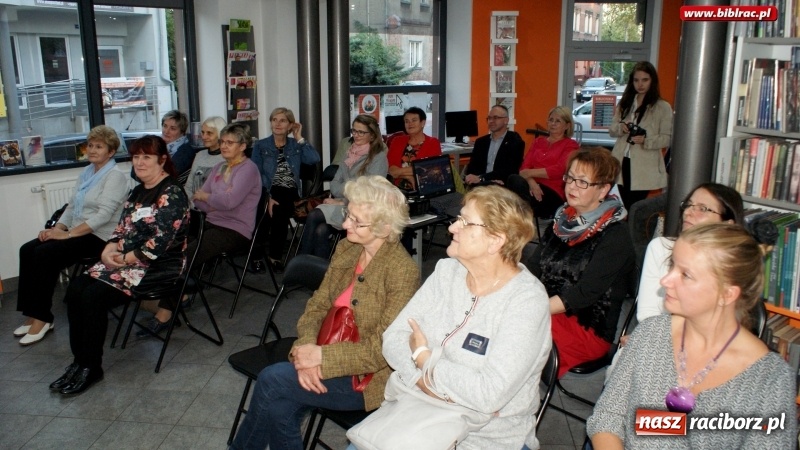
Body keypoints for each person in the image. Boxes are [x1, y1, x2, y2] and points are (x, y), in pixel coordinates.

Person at [230, 176, 420, 450]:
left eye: (357, 221)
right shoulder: (348, 248)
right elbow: (317, 306)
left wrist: (320, 358)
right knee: (278, 409)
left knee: (271, 380)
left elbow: (381, 351)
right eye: (348, 215)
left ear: (384, 227)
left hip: (365, 379)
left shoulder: (402, 272)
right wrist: (305, 350)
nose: (345, 225)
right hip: (322, 352)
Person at [588, 224, 797, 449]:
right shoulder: (651, 333)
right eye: (672, 265)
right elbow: (607, 416)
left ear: (727, 294)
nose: (665, 280)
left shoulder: (769, 379)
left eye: (685, 275)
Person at [382, 185, 550, 450]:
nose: (452, 228)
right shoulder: (446, 271)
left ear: (496, 240)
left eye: (465, 222)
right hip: (415, 413)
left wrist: (423, 358)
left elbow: (487, 394)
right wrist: (433, 387)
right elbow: (392, 339)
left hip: (484, 438)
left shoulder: (526, 301)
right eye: (457, 219)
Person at [51, 136, 189, 395]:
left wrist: (122, 259)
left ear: (162, 160)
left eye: (147, 157)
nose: (140, 162)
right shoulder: (137, 190)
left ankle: (91, 367)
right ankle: (79, 361)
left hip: (158, 266)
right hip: (127, 261)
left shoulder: (171, 193)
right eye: (136, 157)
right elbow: (122, 227)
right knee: (76, 289)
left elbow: (158, 245)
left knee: (93, 296)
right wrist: (109, 248)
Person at [137, 123, 262, 337]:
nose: (224, 146)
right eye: (222, 142)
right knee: (171, 248)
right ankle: (180, 294)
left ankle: (165, 314)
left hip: (235, 230)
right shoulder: (219, 167)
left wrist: (210, 199)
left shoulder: (248, 169)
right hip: (211, 222)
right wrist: (213, 201)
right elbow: (198, 199)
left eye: (230, 142)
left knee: (184, 257)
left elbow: (229, 201)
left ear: (243, 146)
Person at [525, 147, 636, 378]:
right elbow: (533, 268)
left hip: (587, 329)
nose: (572, 186)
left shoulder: (616, 234)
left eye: (583, 182)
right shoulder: (563, 220)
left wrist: (530, 308)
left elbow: (584, 294)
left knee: (512, 333)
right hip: (548, 312)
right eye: (570, 178)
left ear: (603, 189)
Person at [13, 125, 128, 346]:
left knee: (44, 254)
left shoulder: (115, 177)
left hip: (100, 237)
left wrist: (67, 235)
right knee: (27, 250)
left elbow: (103, 216)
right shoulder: (87, 173)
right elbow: (72, 206)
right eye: (90, 145)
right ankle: (33, 314)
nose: (92, 150)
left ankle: (43, 319)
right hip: (77, 232)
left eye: (99, 146)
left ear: (111, 151)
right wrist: (58, 228)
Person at [637, 183, 744, 322]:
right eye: (688, 205)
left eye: (702, 208)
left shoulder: (735, 265)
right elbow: (646, 314)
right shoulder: (661, 247)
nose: (688, 212)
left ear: (727, 224)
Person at [297, 115, 388, 259]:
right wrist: (348, 191)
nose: (356, 135)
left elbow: (368, 192)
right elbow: (334, 184)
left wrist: (342, 200)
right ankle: (319, 270)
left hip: (362, 210)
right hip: (343, 205)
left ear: (372, 135)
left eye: (361, 132)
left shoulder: (378, 157)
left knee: (314, 215)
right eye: (354, 131)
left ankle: (301, 263)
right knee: (321, 230)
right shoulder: (350, 152)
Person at [251, 107, 320, 272]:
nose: (277, 124)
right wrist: (268, 196)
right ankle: (273, 256)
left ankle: (257, 255)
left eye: (282, 120)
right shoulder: (260, 145)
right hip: (268, 189)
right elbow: (255, 174)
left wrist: (300, 137)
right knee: (272, 207)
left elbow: (314, 159)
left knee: (277, 206)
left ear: (290, 125)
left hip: (291, 192)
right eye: (274, 120)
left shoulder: (295, 145)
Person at [608, 61, 673, 209]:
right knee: (626, 204)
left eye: (645, 80)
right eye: (636, 80)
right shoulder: (625, 103)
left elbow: (667, 138)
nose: (640, 84)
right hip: (622, 160)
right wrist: (621, 127)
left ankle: (633, 224)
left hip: (644, 164)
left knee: (635, 206)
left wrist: (646, 140)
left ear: (652, 81)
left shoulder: (662, 107)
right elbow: (612, 130)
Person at [506, 106, 579, 219]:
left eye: (558, 121)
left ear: (567, 126)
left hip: (553, 191)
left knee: (514, 191)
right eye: (551, 120)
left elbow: (559, 170)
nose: (553, 123)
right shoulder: (538, 142)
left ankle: (521, 218)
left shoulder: (571, 145)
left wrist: (529, 173)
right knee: (513, 179)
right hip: (530, 187)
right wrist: (532, 182)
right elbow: (524, 167)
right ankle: (523, 217)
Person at [463, 105, 524, 187]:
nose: (491, 121)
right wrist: (475, 178)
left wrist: (482, 178)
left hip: (502, 185)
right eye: (489, 118)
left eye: (495, 118)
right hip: (480, 185)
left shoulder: (515, 142)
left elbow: (510, 170)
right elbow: (472, 168)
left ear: (506, 120)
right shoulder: (481, 142)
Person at [387, 106, 442, 190]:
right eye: (407, 121)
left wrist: (399, 172)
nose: (410, 124)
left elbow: (429, 169)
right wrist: (410, 177)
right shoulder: (397, 141)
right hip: (396, 190)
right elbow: (391, 170)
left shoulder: (433, 142)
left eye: (414, 120)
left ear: (423, 123)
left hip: (424, 188)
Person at [184, 116, 226, 203]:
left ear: (220, 135)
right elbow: (189, 186)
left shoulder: (227, 158)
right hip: (193, 206)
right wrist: (192, 204)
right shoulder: (199, 155)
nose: (204, 137)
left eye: (209, 133)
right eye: (202, 132)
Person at [160, 109, 197, 185]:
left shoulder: (186, 151)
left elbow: (166, 176)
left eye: (172, 128)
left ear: (182, 132)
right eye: (165, 126)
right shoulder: (158, 145)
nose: (166, 131)